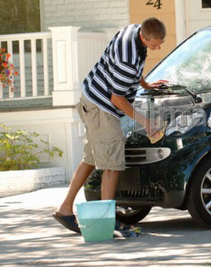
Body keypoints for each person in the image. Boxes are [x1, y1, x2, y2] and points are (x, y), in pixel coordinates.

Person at [53, 17, 167, 235]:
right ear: (143, 37)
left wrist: (145, 84)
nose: (157, 47)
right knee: (113, 163)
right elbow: (118, 99)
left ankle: (65, 209)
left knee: (91, 159)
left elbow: (133, 69)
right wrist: (145, 122)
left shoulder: (132, 30)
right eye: (155, 44)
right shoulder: (128, 59)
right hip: (102, 106)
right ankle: (107, 221)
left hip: (92, 98)